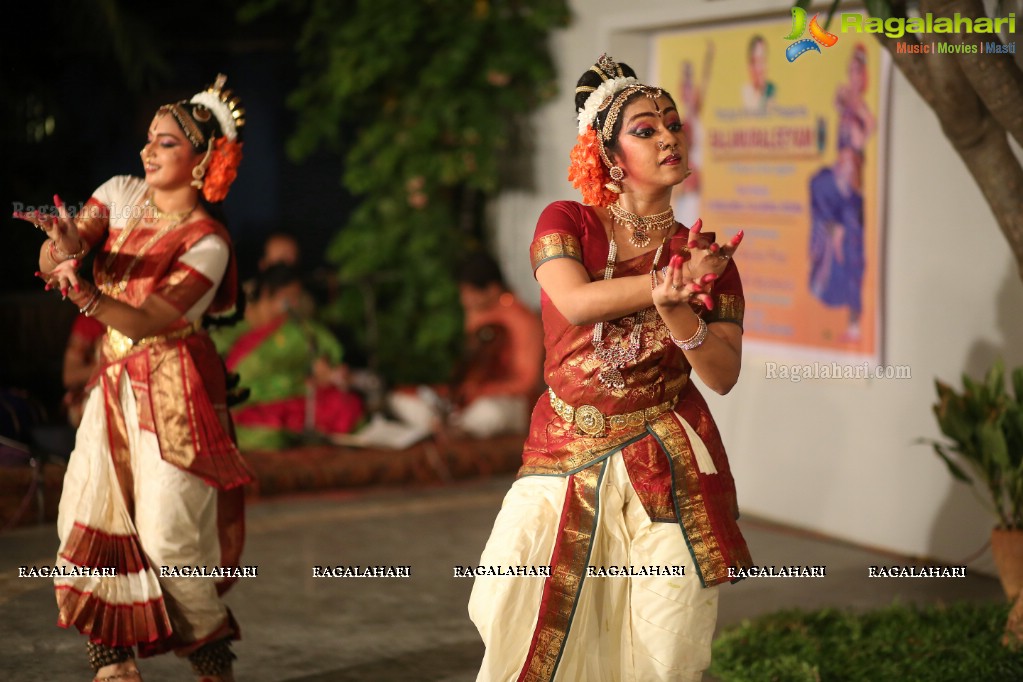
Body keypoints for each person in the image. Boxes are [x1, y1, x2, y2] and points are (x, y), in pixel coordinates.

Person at [468, 54, 753, 681]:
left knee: (668, 645)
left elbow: (723, 374)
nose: (669, 137)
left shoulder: (706, 258)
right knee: (509, 605)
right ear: (608, 153)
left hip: (665, 459)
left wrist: (681, 311)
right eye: (646, 129)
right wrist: (667, 286)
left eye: (673, 125)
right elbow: (573, 301)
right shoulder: (567, 222)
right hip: (566, 451)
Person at [15, 74, 251, 682]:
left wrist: (86, 292)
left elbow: (150, 319)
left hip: (176, 388)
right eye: (149, 138)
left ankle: (209, 651)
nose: (148, 150)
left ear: (202, 163)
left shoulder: (208, 242)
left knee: (170, 539)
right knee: (87, 520)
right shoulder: (121, 194)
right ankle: (112, 662)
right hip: (114, 381)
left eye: (167, 143)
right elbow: (59, 252)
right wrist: (60, 249)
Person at [388, 251, 544, 439]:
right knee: (400, 398)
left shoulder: (522, 320)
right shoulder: (476, 313)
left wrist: (481, 392)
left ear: (493, 289)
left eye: (469, 293)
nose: (464, 300)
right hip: (469, 401)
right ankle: (442, 427)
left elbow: (527, 382)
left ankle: (453, 430)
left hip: (506, 402)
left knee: (490, 412)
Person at [212, 263, 364, 450]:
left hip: (292, 390)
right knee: (260, 432)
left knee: (345, 406)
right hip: (245, 394)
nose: (293, 303)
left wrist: (325, 368)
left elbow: (318, 348)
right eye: (289, 297)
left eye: (296, 297)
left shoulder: (292, 327)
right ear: (268, 292)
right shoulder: (230, 319)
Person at [808, 44, 875, 343]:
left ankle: (855, 320)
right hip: (837, 188)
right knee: (817, 182)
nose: (851, 76)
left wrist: (854, 104)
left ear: (864, 77)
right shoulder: (846, 108)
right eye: (850, 70)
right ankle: (826, 235)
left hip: (850, 196)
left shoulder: (860, 111)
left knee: (852, 256)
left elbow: (867, 130)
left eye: (856, 71)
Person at [742, 34, 776, 114]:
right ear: (749, 66)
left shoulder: (772, 91)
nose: (760, 69)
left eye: (762, 61)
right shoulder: (745, 92)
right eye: (756, 61)